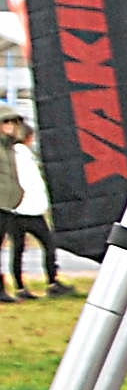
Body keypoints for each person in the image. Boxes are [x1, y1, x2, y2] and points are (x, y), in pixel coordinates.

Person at [0, 116, 49, 301]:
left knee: (18, 248)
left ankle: (18, 287)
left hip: (15, 206)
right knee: (29, 246)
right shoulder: (15, 153)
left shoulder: (14, 152)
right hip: (19, 208)